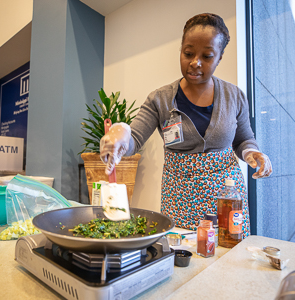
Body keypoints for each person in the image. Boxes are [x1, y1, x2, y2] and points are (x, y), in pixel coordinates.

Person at [99, 13, 272, 237]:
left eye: (207, 56)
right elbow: (135, 138)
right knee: (183, 260)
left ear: (219, 58)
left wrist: (252, 152)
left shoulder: (234, 96)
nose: (195, 62)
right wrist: (119, 137)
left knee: (227, 259)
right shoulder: (160, 99)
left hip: (227, 198)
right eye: (188, 53)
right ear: (180, 50)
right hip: (179, 198)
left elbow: (243, 140)